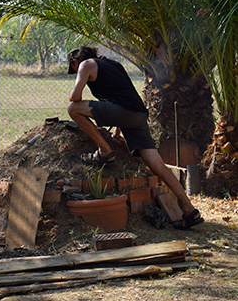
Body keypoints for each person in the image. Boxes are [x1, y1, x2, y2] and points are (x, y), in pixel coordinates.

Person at [66, 45, 203, 230]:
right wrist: (116, 132)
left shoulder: (85, 65)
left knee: (73, 109)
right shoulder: (113, 64)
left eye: (73, 68)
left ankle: (105, 151)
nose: (75, 71)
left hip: (125, 113)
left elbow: (75, 97)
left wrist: (76, 89)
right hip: (138, 115)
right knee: (158, 166)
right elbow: (121, 94)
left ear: (75, 62)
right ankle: (189, 209)